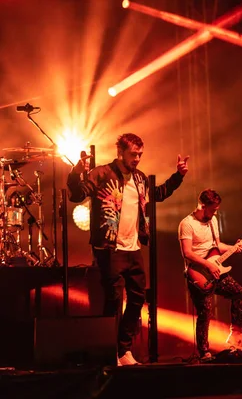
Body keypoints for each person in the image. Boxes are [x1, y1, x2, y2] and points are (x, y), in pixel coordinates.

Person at [67, 133, 189, 366]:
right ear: (120, 152)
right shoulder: (101, 173)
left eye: (140, 154)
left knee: (137, 299)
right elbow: (77, 194)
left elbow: (159, 194)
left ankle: (123, 350)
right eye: (133, 154)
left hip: (133, 248)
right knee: (114, 299)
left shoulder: (140, 178)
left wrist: (179, 176)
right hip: (110, 247)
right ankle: (108, 350)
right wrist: (75, 173)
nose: (137, 159)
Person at [178, 188, 242, 362]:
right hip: (199, 274)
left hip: (216, 269)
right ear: (202, 205)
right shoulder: (187, 224)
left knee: (239, 293)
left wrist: (234, 247)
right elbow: (187, 253)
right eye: (213, 209)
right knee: (205, 311)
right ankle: (204, 353)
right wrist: (208, 266)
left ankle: (236, 337)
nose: (216, 212)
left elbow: (217, 245)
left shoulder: (213, 221)